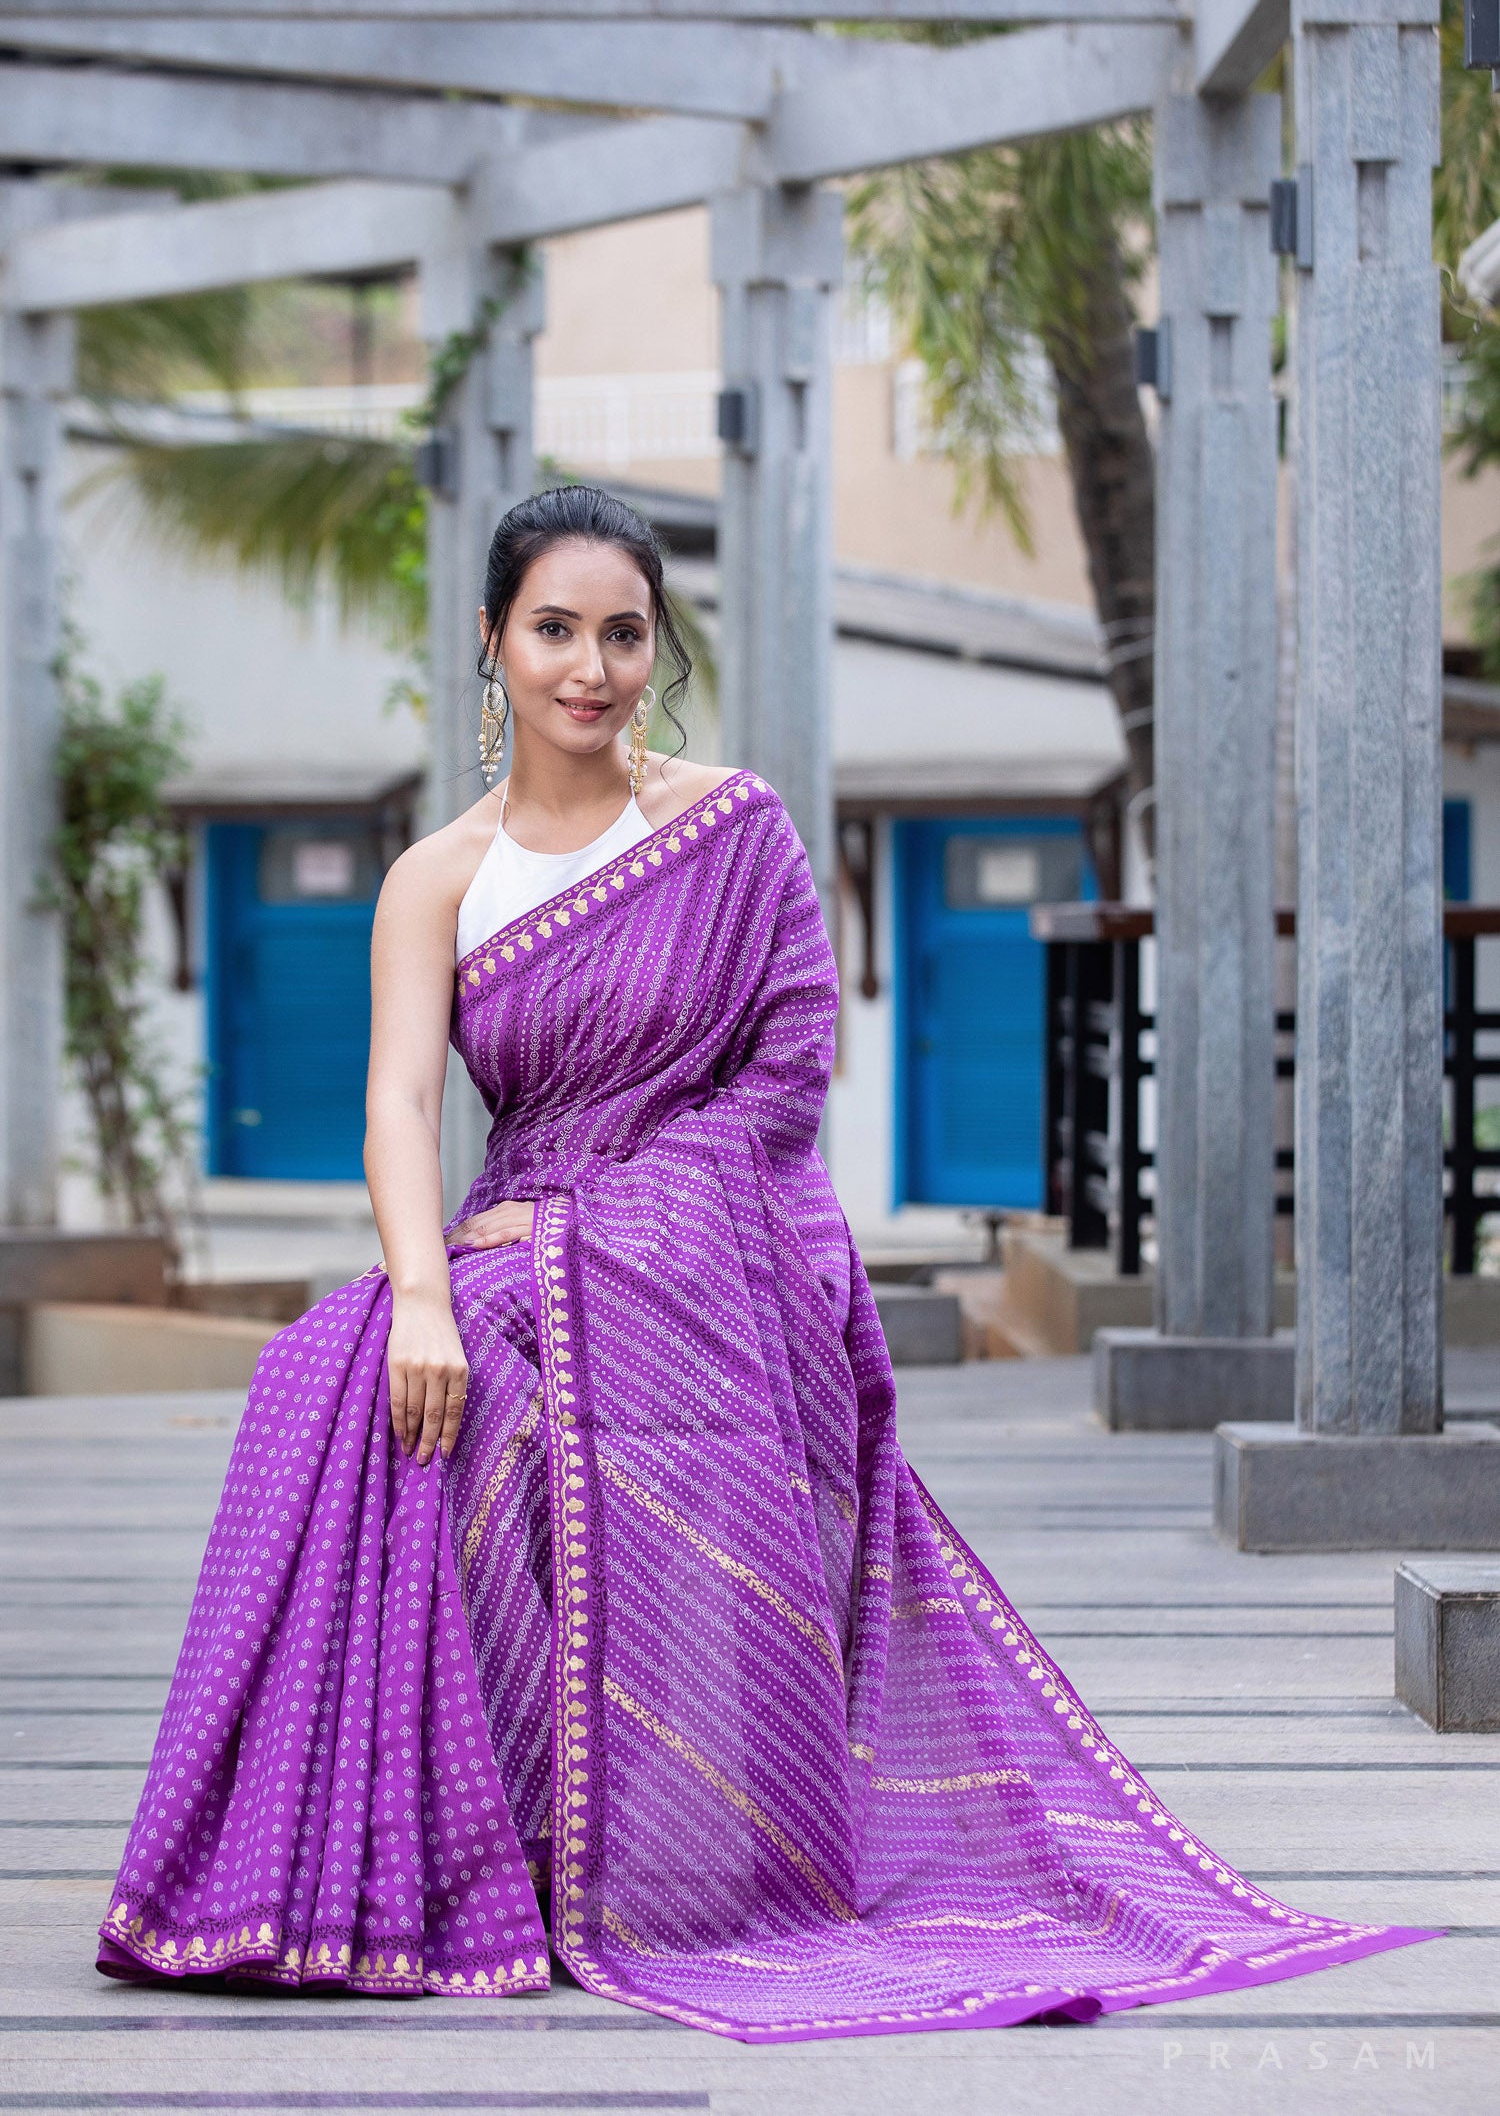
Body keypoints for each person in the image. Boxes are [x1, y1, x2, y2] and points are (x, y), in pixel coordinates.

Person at [97, 484, 1432, 2041]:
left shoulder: (729, 829)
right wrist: (414, 1291)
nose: (588, 667)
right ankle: (436, 1853)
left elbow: (789, 1075)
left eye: (621, 634)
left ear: (655, 649)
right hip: (512, 1240)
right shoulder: (436, 878)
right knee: (335, 1365)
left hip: (717, 1253)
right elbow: (397, 1105)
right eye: (553, 630)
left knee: (506, 1384)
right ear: (491, 641)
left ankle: (624, 1854)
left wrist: (593, 1229)